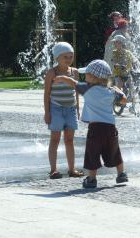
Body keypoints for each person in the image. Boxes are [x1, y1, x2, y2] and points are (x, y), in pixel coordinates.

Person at [54, 59, 128, 188]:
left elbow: (73, 82)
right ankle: (121, 174)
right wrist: (119, 91)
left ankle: (92, 179)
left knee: (92, 153)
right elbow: (124, 100)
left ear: (94, 77)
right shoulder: (111, 91)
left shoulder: (87, 89)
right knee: (115, 151)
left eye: (87, 74)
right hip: (110, 128)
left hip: (95, 128)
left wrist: (61, 78)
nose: (85, 76)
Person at [43, 42, 84, 179]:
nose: (68, 59)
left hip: (70, 109)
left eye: (70, 56)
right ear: (57, 58)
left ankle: (72, 169)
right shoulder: (51, 73)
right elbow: (46, 94)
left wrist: (77, 108)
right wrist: (47, 112)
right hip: (56, 108)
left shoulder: (74, 72)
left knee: (69, 139)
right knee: (55, 139)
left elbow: (76, 91)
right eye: (65, 57)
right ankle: (53, 170)